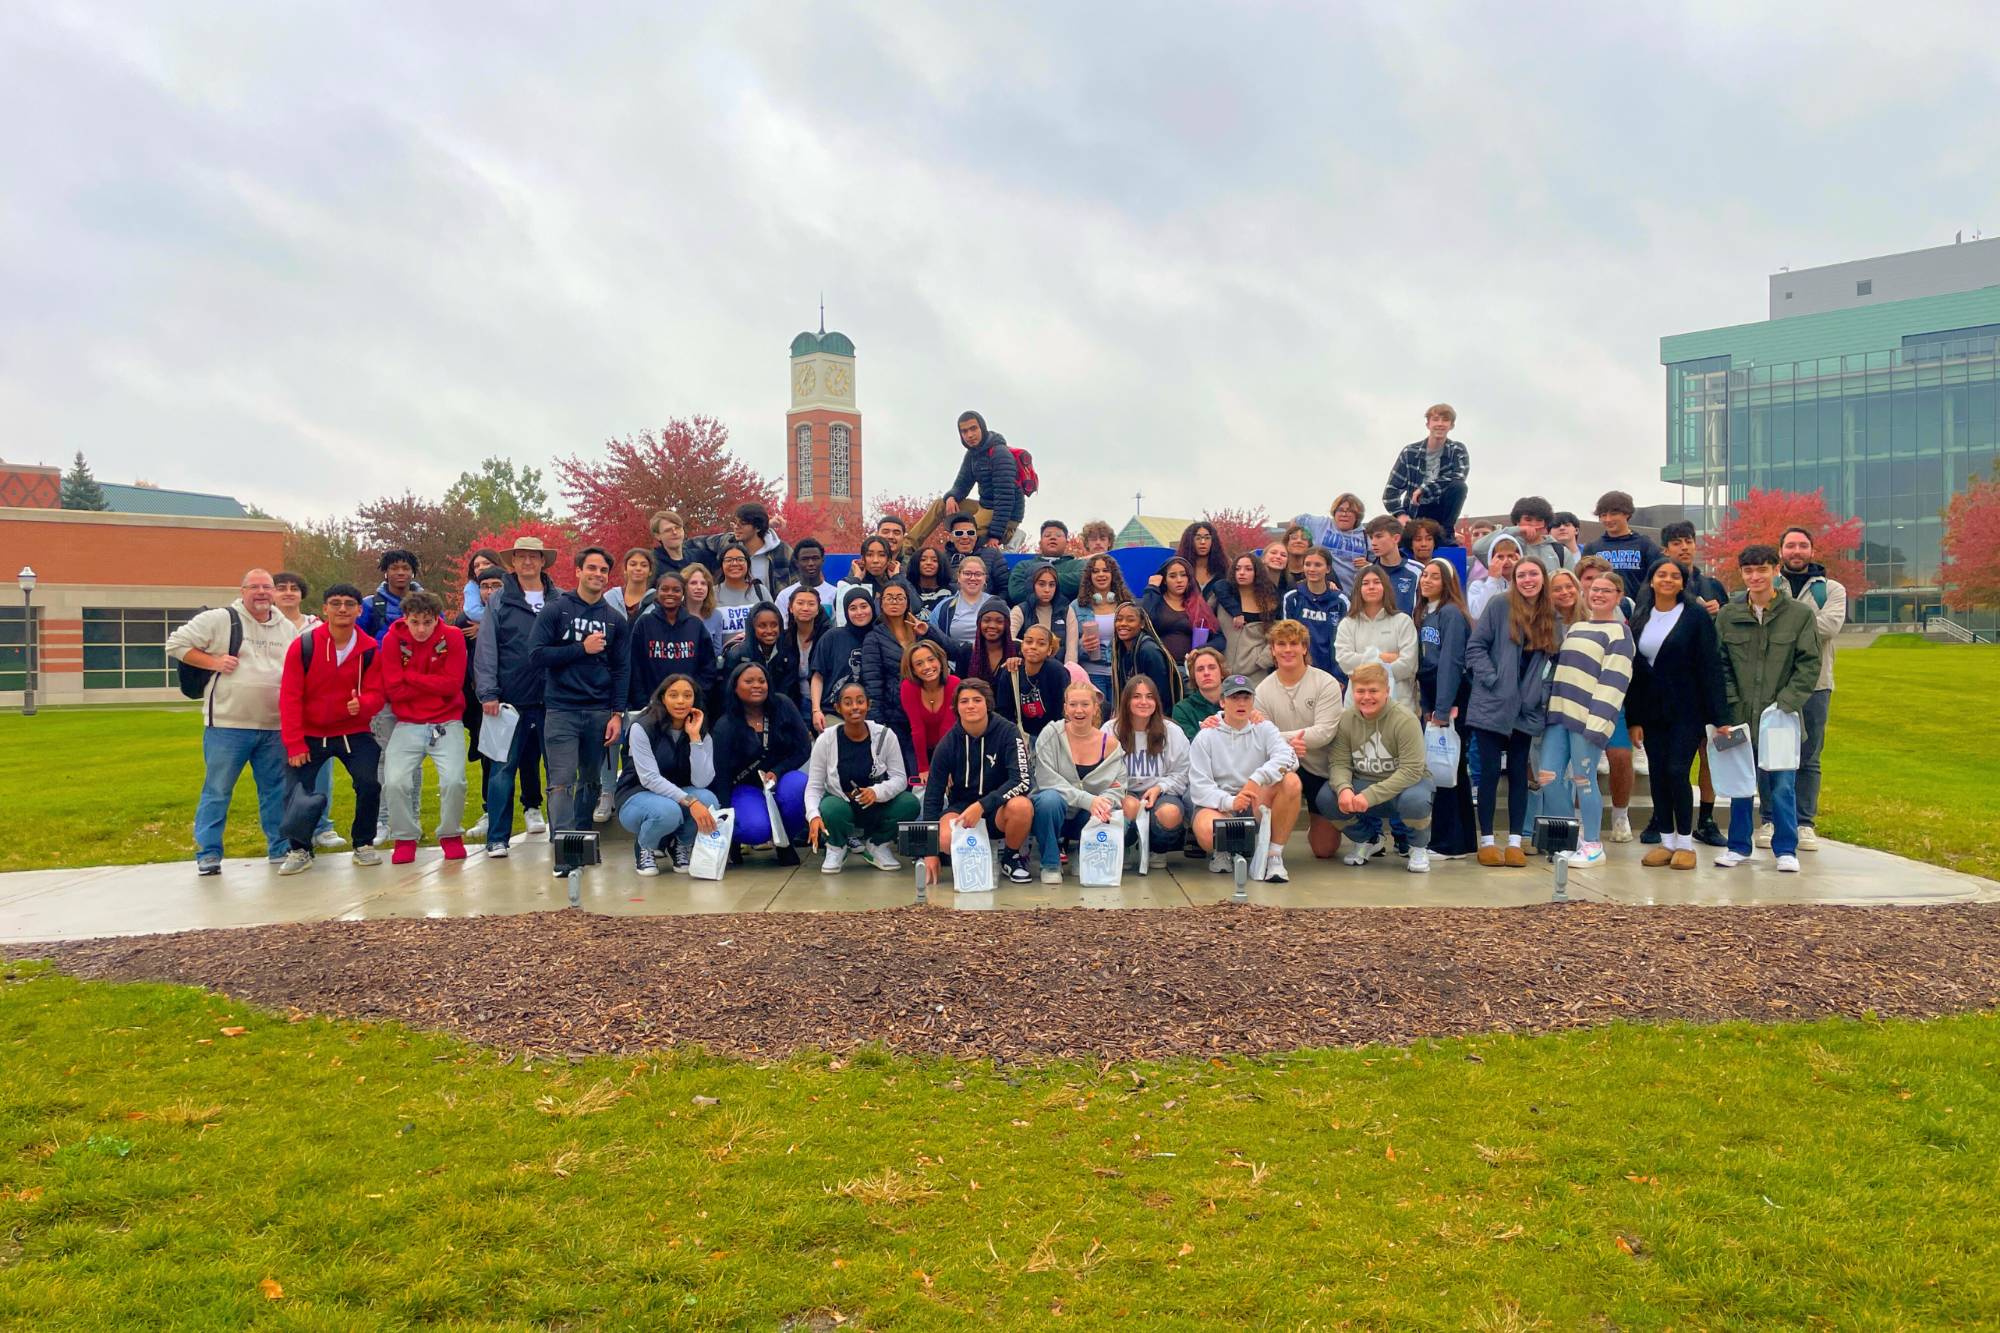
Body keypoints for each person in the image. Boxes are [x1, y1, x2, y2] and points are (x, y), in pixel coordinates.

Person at [166, 569, 303, 874]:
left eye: (267, 587)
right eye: (254, 587)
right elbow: (175, 644)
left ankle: (279, 848)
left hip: (274, 726)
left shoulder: (286, 628)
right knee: (218, 790)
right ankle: (209, 853)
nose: (262, 592)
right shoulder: (220, 619)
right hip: (228, 726)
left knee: (275, 791)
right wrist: (213, 662)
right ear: (242, 591)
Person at [1715, 544, 1821, 872]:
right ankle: (1737, 846)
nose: (1755, 577)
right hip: (1738, 716)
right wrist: (1730, 704)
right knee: (1740, 782)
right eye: (1748, 571)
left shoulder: (1799, 615)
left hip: (1780, 717)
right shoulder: (1728, 615)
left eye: (1762, 569)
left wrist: (1786, 703)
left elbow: (1809, 665)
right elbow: (1720, 664)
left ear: (1776, 570)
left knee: (1783, 784)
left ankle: (1786, 849)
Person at [275, 582, 383, 875]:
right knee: (296, 790)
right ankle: (299, 849)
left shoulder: (369, 649)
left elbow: (377, 692)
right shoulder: (304, 645)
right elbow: (290, 697)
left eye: (349, 604)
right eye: (336, 603)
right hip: (310, 733)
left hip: (354, 732)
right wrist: (295, 743)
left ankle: (363, 843)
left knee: (369, 784)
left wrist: (363, 703)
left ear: (359, 610)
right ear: (325, 609)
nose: (342, 609)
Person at [1627, 558, 1728, 870]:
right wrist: (1634, 719)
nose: (1668, 580)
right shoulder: (1641, 616)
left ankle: (1685, 842)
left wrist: (1720, 717)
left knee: (1676, 771)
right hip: (1651, 711)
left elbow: (1710, 666)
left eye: (1675, 576)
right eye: (1662, 575)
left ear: (1683, 583)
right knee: (1657, 774)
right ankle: (1667, 841)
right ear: (1651, 580)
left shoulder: (1695, 616)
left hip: (1687, 710)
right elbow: (1634, 672)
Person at [529, 547, 629, 852]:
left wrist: (617, 713)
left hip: (599, 711)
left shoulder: (614, 620)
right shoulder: (556, 610)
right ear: (578, 571)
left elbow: (621, 669)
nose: (598, 574)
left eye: (603, 570)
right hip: (561, 710)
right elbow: (536, 655)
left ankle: (582, 842)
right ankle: (564, 847)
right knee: (561, 781)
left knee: (591, 781)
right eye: (592, 568)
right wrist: (581, 649)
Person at [1537, 572, 1634, 868]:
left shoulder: (1620, 634)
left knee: (1583, 779)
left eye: (1607, 590)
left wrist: (1598, 723)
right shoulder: (1577, 627)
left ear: (1618, 596)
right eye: (1594, 589)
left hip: (1589, 720)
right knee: (1548, 777)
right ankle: (1568, 839)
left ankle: (1593, 844)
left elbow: (1615, 681)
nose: (1599, 594)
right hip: (1558, 715)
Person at [1465, 556, 1557, 866]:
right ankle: (1488, 840)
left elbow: (1554, 661)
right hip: (1492, 703)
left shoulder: (1551, 613)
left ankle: (1516, 841)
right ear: (1514, 580)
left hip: (1527, 707)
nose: (1528, 580)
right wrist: (1493, 679)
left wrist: (1541, 694)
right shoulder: (1499, 605)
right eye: (1522, 575)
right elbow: (1475, 647)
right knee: (1490, 772)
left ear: (1543, 578)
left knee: (1519, 772)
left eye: (1533, 574)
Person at [376, 590, 471, 864]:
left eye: (427, 622)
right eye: (414, 622)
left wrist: (410, 677)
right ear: (405, 618)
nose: (420, 629)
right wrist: (432, 685)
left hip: (447, 720)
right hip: (407, 722)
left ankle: (450, 834)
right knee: (395, 782)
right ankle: (405, 837)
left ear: (437, 619)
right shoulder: (393, 640)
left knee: (454, 781)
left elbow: (453, 685)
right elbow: (393, 689)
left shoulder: (452, 636)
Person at [1651, 521, 1729, 847]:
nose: (1684, 547)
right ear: (1665, 549)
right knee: (1670, 761)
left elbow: (1726, 633)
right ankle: (1662, 819)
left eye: (1688, 541)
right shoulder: (1657, 586)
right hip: (1670, 690)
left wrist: (1718, 612)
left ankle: (1706, 818)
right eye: (1676, 542)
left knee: (1709, 753)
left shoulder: (1712, 586)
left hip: (1706, 684)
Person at [920, 679, 1037, 886]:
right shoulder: (948, 743)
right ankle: (967, 853)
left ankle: (1010, 857)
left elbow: (1022, 781)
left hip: (998, 808)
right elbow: (932, 796)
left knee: (1022, 806)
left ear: (987, 703)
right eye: (964, 701)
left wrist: (982, 805)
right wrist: (930, 851)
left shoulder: (1008, 732)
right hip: (961, 810)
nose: (971, 706)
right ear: (956, 707)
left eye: (977, 700)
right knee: (944, 839)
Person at [1318, 662, 1434, 871]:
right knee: (1327, 797)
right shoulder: (1346, 719)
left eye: (1373, 691)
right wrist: (1344, 789)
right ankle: (1367, 840)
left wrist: (1369, 796)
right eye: (1360, 691)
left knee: (1416, 801)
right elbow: (1339, 763)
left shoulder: (1405, 720)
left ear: (1387, 691)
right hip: (1364, 781)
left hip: (1405, 786)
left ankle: (1418, 847)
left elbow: (1411, 771)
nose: (1366, 697)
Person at [474, 553, 553, 854]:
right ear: (514, 563)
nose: (527, 562)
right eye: (521, 557)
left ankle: (561, 835)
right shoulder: (500, 599)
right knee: (501, 771)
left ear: (543, 562)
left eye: (534, 557)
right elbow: (486, 648)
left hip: (553, 700)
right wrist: (488, 692)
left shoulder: (558, 598)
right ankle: (497, 838)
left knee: (557, 772)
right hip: (509, 700)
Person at [1187, 674, 1302, 883]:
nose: (1241, 703)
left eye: (1246, 697)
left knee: (1292, 782)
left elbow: (1289, 758)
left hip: (1256, 799)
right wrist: (1231, 801)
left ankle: (1273, 855)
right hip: (1220, 806)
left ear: (1253, 701)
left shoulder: (1265, 728)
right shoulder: (1206, 736)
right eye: (1234, 698)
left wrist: (1257, 779)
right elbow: (1199, 786)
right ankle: (1223, 851)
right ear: (1222, 702)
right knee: (1207, 831)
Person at [1775, 526, 1846, 852]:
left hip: (1817, 685)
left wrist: (1784, 625)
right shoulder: (1769, 584)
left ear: (1812, 551)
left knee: (1809, 757)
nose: (1796, 551)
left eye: (1803, 545)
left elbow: (1829, 627)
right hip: (1775, 683)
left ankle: (1805, 823)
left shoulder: (1830, 589)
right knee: (1772, 754)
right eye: (1790, 545)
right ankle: (1771, 819)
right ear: (1781, 551)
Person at [1255, 618, 1345, 860]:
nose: (1288, 650)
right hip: (1283, 766)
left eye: (1294, 644)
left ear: (1304, 648)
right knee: (1279, 785)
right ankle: (1272, 846)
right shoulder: (1262, 691)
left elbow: (1325, 732)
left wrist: (1282, 739)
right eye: (1281, 644)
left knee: (1324, 850)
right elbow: (1261, 738)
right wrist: (1287, 744)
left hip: (1320, 767)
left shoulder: (1326, 683)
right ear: (1273, 650)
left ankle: (1317, 824)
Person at [805, 681, 918, 874]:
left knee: (910, 803)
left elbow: (900, 778)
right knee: (830, 807)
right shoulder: (826, 740)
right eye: (848, 703)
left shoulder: (885, 735)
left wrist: (876, 792)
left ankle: (877, 845)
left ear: (868, 704)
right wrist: (813, 815)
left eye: (860, 701)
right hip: (843, 806)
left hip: (876, 806)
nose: (855, 707)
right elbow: (814, 786)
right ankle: (837, 847)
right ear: (838, 708)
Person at [616, 673, 719, 875]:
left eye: (687, 695)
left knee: (709, 800)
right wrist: (691, 802)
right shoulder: (642, 727)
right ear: (662, 698)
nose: (681, 701)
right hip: (636, 795)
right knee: (667, 811)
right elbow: (650, 779)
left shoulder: (701, 730)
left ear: (695, 699)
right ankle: (645, 847)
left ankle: (681, 844)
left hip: (675, 795)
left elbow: (701, 781)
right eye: (673, 695)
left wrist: (695, 738)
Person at [271, 570, 344, 852]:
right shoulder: (263, 625)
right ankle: (291, 830)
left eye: (294, 588)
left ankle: (323, 826)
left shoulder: (316, 628)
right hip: (273, 712)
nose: (288, 592)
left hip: (315, 712)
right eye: (282, 588)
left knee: (321, 772)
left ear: (302, 594)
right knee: (285, 778)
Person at [711, 660, 812, 862]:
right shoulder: (725, 725)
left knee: (800, 786)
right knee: (756, 829)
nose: (757, 685)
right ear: (735, 687)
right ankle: (737, 840)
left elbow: (803, 748)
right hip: (745, 787)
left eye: (761, 681)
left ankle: (785, 841)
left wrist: (778, 771)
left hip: (780, 779)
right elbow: (721, 775)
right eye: (749, 681)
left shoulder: (783, 705)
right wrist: (725, 822)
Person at [1030, 682, 1128, 884]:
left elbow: (1118, 787)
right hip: (1050, 815)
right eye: (1073, 704)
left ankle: (1083, 853)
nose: (1079, 710)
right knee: (1049, 799)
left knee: (1117, 816)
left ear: (1095, 708)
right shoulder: (1051, 735)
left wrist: (1102, 803)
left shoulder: (1111, 745)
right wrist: (1087, 800)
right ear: (1065, 708)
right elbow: (1046, 779)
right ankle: (1050, 863)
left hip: (1086, 817)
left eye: (1085, 704)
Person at [1413, 557, 1476, 858]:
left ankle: (1448, 843)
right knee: (1452, 769)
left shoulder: (1451, 613)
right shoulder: (1426, 612)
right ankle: (1464, 841)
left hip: (1451, 697)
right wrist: (1428, 704)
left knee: (1444, 768)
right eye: (1424, 575)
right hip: (1435, 696)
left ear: (1448, 583)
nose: (1426, 580)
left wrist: (1441, 709)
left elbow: (1451, 662)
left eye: (1435, 576)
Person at [902, 410, 1023, 554]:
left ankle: (1009, 534)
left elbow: (1005, 499)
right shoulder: (972, 455)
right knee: (940, 504)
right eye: (964, 431)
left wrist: (995, 536)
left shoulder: (1000, 454)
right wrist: (951, 497)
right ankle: (905, 547)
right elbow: (961, 485)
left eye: (973, 429)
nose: (969, 435)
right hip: (984, 506)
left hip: (1006, 514)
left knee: (964, 533)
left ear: (982, 428)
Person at [861, 580, 946, 760]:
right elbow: (873, 683)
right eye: (889, 598)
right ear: (881, 603)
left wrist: (927, 632)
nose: (894, 602)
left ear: (907, 602)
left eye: (900, 597)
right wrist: (877, 724)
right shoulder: (874, 637)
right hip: (896, 716)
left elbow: (952, 650)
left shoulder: (921, 628)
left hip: (930, 709)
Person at [454, 563, 506, 842]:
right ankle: (490, 811)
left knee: (527, 756)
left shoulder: (514, 612)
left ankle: (532, 807)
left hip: (515, 693)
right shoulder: (464, 620)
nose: (490, 591)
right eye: (484, 586)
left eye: (496, 585)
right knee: (489, 757)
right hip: (480, 699)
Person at [1109, 676, 1190, 853]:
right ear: (1126, 700)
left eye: (1149, 697)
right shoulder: (1110, 730)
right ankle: (1125, 846)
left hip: (1161, 793)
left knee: (1170, 813)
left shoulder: (1172, 731)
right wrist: (1121, 792)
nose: (1144, 702)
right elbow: (1101, 772)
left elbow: (1183, 772)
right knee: (1128, 807)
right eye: (1136, 696)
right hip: (1123, 792)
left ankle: (1156, 849)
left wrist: (1160, 788)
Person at [628, 568, 718, 718]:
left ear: (683, 593)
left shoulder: (695, 625)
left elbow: (708, 666)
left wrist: (695, 697)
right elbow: (635, 665)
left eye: (676, 590)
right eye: (665, 589)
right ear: (657, 592)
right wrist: (642, 702)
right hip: (651, 707)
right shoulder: (644, 623)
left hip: (688, 706)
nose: (670, 593)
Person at [1334, 565, 1418, 712]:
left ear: (1385, 587)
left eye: (1377, 582)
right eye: (1365, 583)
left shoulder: (1403, 621)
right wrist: (1384, 658)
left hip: (1398, 707)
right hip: (1357, 708)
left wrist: (1363, 663)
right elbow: (1345, 662)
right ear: (1358, 589)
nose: (1371, 587)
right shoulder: (1347, 624)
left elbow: (1408, 665)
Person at [1381, 402, 1471, 533]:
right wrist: (1400, 515)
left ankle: (1446, 533)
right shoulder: (1410, 452)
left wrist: (1425, 489)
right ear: (1428, 424)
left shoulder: (1457, 449)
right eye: (1436, 419)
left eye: (1445, 420)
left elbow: (1459, 476)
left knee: (1460, 486)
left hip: (1442, 509)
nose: (1440, 424)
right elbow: (1390, 492)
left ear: (1451, 426)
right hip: (1416, 511)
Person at [810, 587, 878, 732]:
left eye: (864, 606)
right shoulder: (832, 637)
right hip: (834, 712)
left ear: (872, 607)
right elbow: (818, 676)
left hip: (873, 714)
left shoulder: (880, 636)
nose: (859, 612)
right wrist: (816, 710)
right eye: (853, 608)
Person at [1582, 491, 1665, 601]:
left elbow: (1658, 578)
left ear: (1627, 514)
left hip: (1637, 608)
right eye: (1603, 515)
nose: (1608, 519)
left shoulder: (1645, 545)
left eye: (1613, 514)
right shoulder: (1592, 548)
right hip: (1601, 606)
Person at [898, 638, 960, 785]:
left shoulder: (954, 683)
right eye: (919, 664)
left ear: (940, 661)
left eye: (931, 660)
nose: (927, 667)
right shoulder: (908, 687)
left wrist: (945, 766)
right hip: (919, 747)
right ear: (913, 670)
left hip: (949, 745)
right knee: (918, 783)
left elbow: (947, 729)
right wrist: (923, 768)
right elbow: (917, 728)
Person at [1281, 547, 1347, 682]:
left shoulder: (1341, 601)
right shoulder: (1292, 598)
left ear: (1328, 569)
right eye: (1307, 564)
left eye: (1318, 565)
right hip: (1300, 672)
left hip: (1332, 675)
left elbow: (1346, 642)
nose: (1312, 569)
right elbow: (1287, 638)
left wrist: (1339, 676)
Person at [1142, 556, 1222, 666]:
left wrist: (1200, 650)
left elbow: (1220, 639)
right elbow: (1144, 622)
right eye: (1172, 576)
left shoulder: (1199, 606)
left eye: (1183, 575)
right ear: (1164, 580)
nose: (1179, 580)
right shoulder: (1155, 601)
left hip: (1189, 667)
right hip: (1159, 665)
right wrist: (1152, 588)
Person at [995, 623, 1069, 742]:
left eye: (1041, 644)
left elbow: (1062, 710)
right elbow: (1004, 711)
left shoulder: (1057, 671)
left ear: (1049, 650)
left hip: (1053, 736)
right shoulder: (1011, 671)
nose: (1033, 647)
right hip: (1021, 735)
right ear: (1022, 646)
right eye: (1029, 642)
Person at [1071, 554, 1130, 699]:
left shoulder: (1126, 604)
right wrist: (1082, 645)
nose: (1101, 575)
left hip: (1120, 673)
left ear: (1113, 574)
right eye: (1096, 571)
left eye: (1105, 570)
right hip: (1091, 674)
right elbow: (1069, 646)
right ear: (1089, 576)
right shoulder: (1076, 607)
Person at [1216, 553, 1279, 687]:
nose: (1242, 573)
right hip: (1222, 670)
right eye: (1237, 569)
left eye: (1248, 569)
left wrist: (1263, 661)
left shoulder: (1269, 600)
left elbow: (1278, 633)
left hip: (1256, 672)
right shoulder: (1223, 596)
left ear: (1257, 572)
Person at [929, 553, 1006, 660]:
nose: (973, 578)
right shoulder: (944, 607)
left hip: (991, 662)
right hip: (954, 664)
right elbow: (933, 637)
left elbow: (1008, 636)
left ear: (985, 578)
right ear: (959, 576)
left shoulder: (998, 604)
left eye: (978, 574)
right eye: (967, 573)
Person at [1472, 497, 1572, 576]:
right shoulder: (1505, 544)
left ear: (1545, 524)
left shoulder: (1560, 551)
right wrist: (1517, 530)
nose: (1533, 524)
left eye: (1539, 520)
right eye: (1528, 520)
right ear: (1517, 521)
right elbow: (1478, 548)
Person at [724, 603, 797, 706]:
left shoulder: (788, 653)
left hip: (780, 709)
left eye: (774, 625)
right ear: (752, 628)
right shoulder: (737, 655)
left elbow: (789, 691)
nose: (769, 631)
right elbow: (729, 694)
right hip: (745, 710)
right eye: (762, 626)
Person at [1109, 602, 1178, 707]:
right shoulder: (1120, 650)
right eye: (1119, 619)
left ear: (1142, 624)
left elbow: (1161, 692)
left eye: (1130, 620)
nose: (1123, 623)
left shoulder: (1149, 651)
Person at [1012, 563, 1080, 662]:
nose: (1047, 590)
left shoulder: (1067, 611)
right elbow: (1009, 640)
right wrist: (1031, 646)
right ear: (1031, 585)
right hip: (1027, 667)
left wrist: (1067, 670)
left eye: (1052, 585)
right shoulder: (1020, 610)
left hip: (1058, 668)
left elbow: (1072, 650)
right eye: (1041, 584)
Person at [1008, 520, 1085, 607]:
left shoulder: (1078, 565)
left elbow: (1081, 582)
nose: (1053, 538)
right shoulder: (1023, 565)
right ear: (1040, 543)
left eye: (1058, 535)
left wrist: (1036, 581)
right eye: (1047, 535)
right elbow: (1017, 593)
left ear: (1067, 543)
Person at [710, 542, 771, 652]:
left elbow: (773, 624)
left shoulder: (760, 591)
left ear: (748, 563)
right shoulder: (711, 594)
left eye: (740, 559)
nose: (734, 563)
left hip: (758, 657)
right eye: (729, 560)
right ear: (721, 565)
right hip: (723, 658)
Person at [776, 585, 825, 718]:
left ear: (818, 609)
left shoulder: (827, 637)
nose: (805, 608)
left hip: (823, 704)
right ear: (791, 608)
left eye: (811, 604)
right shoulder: (782, 639)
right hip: (793, 703)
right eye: (800, 603)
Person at [357, 548, 422, 638]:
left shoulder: (429, 604)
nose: (400, 573)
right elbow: (356, 639)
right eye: (394, 568)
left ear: (413, 573)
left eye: (406, 568)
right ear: (386, 573)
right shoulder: (369, 605)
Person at [835, 536, 899, 623]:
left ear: (889, 559)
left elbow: (915, 607)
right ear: (862, 559)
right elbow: (840, 610)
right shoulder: (852, 582)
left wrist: (897, 577)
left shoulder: (896, 580)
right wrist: (856, 578)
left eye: (882, 555)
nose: (875, 560)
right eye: (869, 555)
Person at [775, 538, 838, 625]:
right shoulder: (784, 596)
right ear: (796, 562)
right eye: (805, 559)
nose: (811, 563)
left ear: (822, 560)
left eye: (815, 558)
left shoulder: (835, 594)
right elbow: (781, 627)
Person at [1172, 645, 1231, 737]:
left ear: (1222, 673)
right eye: (1200, 669)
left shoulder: (1237, 701)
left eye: (1212, 667)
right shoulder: (1182, 709)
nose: (1206, 673)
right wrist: (1203, 733)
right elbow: (1185, 743)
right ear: (1193, 676)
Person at [1364, 516, 1421, 611]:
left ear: (1396, 538)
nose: (1373, 543)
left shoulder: (1418, 571)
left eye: (1379, 536)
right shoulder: (1364, 573)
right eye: (1371, 538)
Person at [962, 606, 1020, 689]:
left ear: (1007, 625)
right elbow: (960, 687)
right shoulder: (966, 651)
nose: (992, 626)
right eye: (986, 620)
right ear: (979, 623)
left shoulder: (1018, 649)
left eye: (999, 621)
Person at [1465, 533, 1519, 622]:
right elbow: (1477, 614)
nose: (1506, 561)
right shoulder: (1478, 585)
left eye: (1510, 556)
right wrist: (1492, 579)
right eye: (1500, 557)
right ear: (1491, 559)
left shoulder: (1526, 583)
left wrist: (1519, 574)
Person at [648, 510, 702, 581]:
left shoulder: (697, 557)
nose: (674, 532)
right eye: (668, 530)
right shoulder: (652, 564)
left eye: (678, 528)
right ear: (657, 536)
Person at [604, 548, 656, 618]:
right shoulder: (610, 597)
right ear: (625, 569)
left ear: (650, 571)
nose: (638, 568)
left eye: (644, 565)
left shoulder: (657, 600)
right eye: (633, 564)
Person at [460, 549, 504, 624]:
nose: (481, 568)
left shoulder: (510, 582)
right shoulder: (471, 587)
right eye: (476, 566)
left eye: (486, 563)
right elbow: (474, 612)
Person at [907, 545, 953, 617]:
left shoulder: (952, 592)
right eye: (923, 560)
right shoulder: (908, 590)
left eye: (934, 560)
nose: (928, 563)